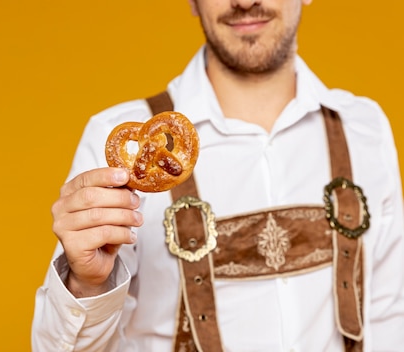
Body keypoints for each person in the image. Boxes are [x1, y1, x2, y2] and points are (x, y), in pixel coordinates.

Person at [32, 0, 404, 350]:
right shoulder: (120, 147)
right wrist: (84, 283)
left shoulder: (364, 129)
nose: (244, 1)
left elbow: (390, 320)